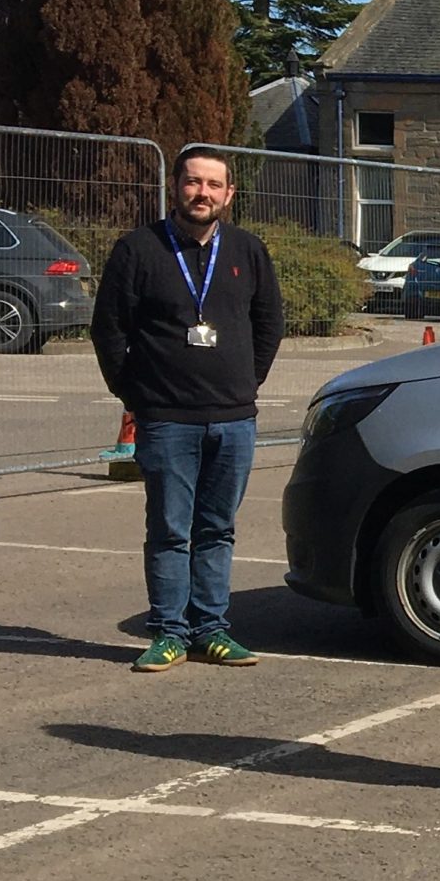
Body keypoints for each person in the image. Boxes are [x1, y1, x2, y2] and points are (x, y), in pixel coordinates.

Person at [91, 146, 283, 671]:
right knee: (171, 530)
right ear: (176, 186)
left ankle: (213, 629)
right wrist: (136, 395)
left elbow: (269, 324)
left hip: (233, 418)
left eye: (213, 185)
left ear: (229, 194)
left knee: (218, 528)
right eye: (193, 182)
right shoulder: (138, 250)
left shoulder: (247, 250)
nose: (203, 193)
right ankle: (170, 632)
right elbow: (109, 329)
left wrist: (247, 381)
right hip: (167, 419)